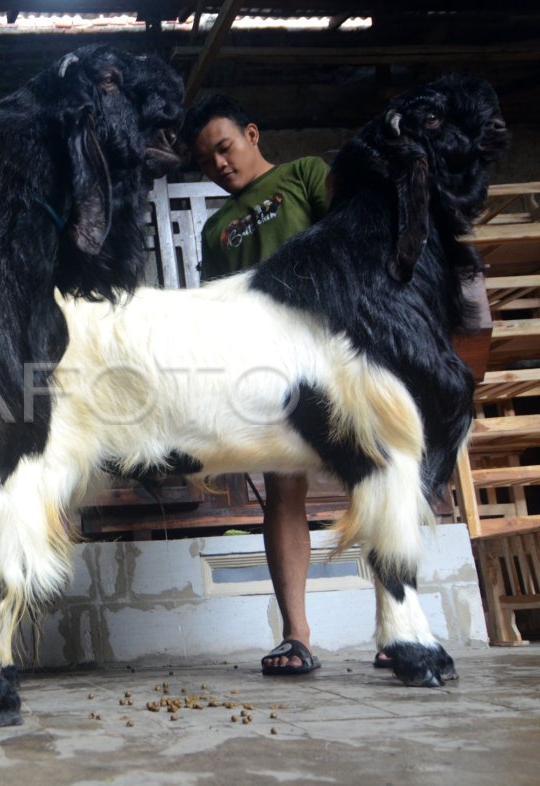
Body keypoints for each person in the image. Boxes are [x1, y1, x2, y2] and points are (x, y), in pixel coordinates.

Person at [182, 94, 330, 676]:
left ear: (252, 133)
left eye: (225, 147)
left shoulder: (305, 175)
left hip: (332, 347)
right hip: (268, 367)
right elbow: (217, 308)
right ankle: (297, 634)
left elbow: (348, 241)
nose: (220, 164)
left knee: (376, 479)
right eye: (206, 160)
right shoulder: (216, 228)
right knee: (284, 490)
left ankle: (401, 625)